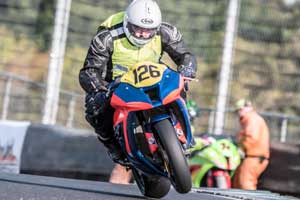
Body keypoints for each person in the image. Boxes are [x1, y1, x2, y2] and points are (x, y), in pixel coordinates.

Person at [79, 0, 197, 164]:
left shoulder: (166, 31)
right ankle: (114, 148)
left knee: (179, 84)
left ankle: (185, 133)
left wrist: (187, 69)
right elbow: (89, 70)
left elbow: (185, 55)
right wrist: (99, 89)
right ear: (127, 23)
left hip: (151, 76)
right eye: (138, 29)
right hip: (114, 83)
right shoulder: (106, 37)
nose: (142, 34)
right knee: (94, 110)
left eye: (148, 31)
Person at [232, 99, 270, 190]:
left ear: (248, 108)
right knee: (238, 183)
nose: (239, 113)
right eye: (238, 111)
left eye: (240, 110)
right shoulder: (250, 119)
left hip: (254, 157)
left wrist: (241, 148)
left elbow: (251, 137)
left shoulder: (252, 119)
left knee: (245, 184)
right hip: (252, 156)